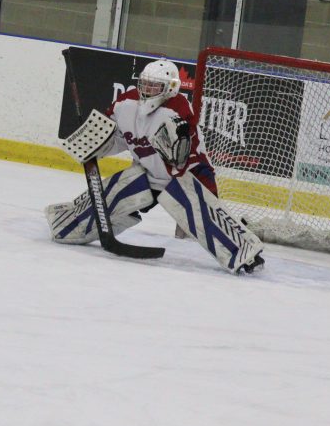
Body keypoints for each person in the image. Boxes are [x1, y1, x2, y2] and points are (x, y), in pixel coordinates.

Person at [45, 58, 264, 274]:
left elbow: (184, 159)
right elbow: (115, 136)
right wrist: (94, 142)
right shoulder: (125, 104)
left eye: (155, 85)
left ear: (170, 88)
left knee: (205, 219)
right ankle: (67, 223)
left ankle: (246, 254)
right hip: (147, 173)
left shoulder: (177, 110)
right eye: (145, 83)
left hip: (185, 175)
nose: (147, 90)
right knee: (110, 196)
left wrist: (211, 200)